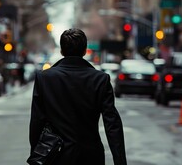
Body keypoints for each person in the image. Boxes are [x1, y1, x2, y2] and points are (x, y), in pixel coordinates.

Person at [28, 28, 127, 165]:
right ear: (85, 50)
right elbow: (112, 124)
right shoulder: (100, 79)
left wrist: (37, 155)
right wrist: (120, 161)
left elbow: (37, 121)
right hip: (91, 157)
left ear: (62, 51)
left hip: (56, 156)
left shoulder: (44, 78)